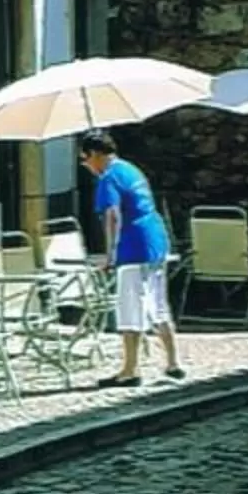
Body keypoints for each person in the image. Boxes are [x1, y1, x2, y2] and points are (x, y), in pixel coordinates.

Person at [78, 130, 184, 389]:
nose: (87, 166)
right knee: (158, 304)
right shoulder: (130, 169)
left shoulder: (108, 178)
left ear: (94, 154)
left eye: (85, 160)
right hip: (156, 241)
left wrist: (111, 255)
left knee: (130, 308)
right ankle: (172, 362)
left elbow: (113, 216)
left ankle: (129, 369)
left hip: (133, 246)